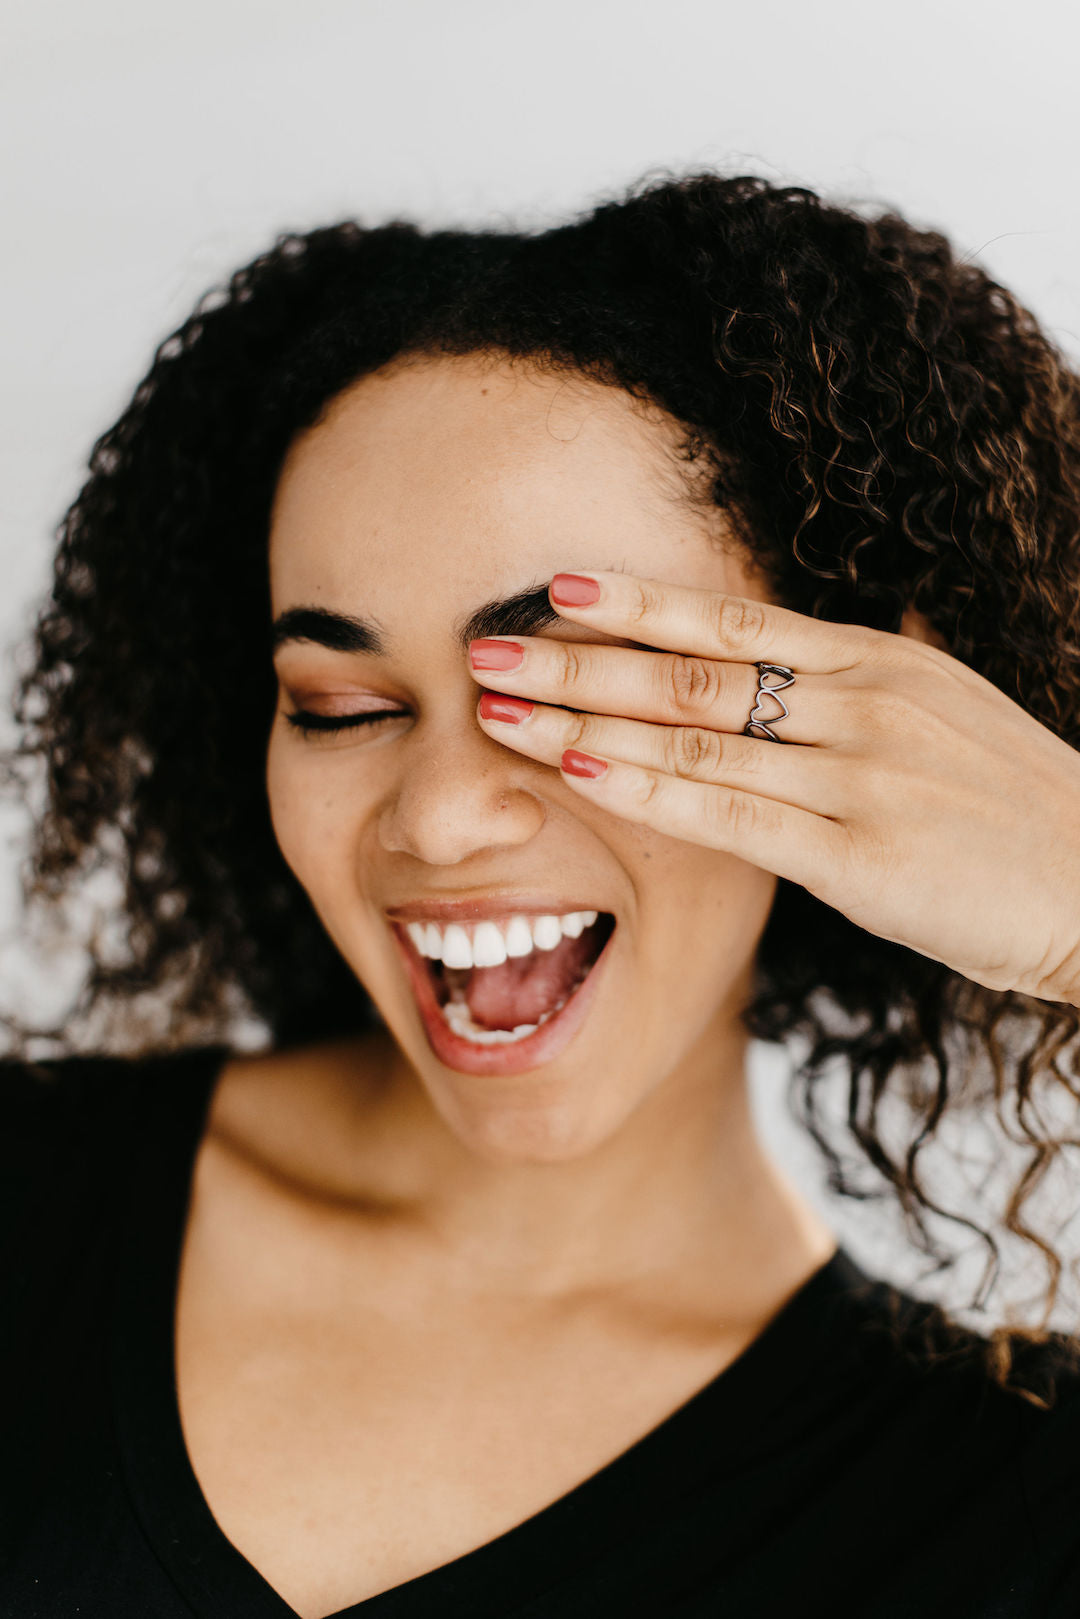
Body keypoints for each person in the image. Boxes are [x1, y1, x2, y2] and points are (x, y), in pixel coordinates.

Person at [3, 170, 1080, 1619]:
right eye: (337, 705)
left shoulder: (1000, 1506)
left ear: (866, 713)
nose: (441, 819)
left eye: (580, 687)